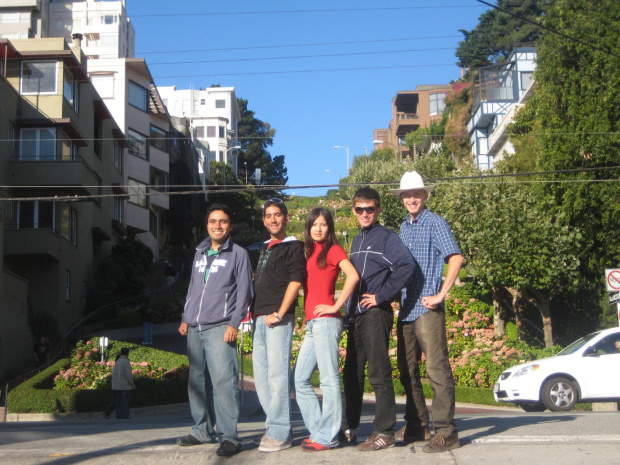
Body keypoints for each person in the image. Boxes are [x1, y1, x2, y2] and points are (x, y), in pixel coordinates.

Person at [389, 171, 464, 453]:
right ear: (402, 199)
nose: (411, 198)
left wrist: (441, 294)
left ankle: (446, 431)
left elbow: (456, 257)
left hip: (427, 309)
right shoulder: (403, 227)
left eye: (416, 194)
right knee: (407, 371)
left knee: (436, 369)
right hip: (407, 308)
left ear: (425, 195)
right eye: (407, 195)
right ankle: (417, 424)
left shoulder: (435, 223)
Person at [340, 187, 415, 452]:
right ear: (353, 210)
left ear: (378, 210)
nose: (364, 213)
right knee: (351, 374)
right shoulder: (357, 240)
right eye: (359, 209)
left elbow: (406, 265)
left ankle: (384, 431)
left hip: (375, 314)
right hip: (356, 316)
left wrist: (381, 296)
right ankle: (350, 428)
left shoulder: (386, 237)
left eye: (369, 208)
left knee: (378, 373)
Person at [177, 204, 253, 457]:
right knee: (196, 381)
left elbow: (245, 291)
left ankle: (229, 436)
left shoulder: (238, 253)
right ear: (207, 224)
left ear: (230, 226)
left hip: (221, 326)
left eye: (222, 221)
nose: (217, 225)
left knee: (223, 381)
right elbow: (192, 289)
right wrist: (186, 318)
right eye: (212, 221)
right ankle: (201, 430)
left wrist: (234, 323)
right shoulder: (199, 253)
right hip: (195, 328)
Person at [294, 208, 359, 452]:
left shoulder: (333, 250)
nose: (318, 228)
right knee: (299, 380)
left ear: (329, 228)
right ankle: (321, 431)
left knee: (329, 380)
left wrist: (336, 304)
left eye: (323, 224)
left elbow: (352, 275)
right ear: (309, 228)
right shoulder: (308, 252)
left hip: (327, 321)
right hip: (312, 323)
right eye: (314, 224)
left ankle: (328, 437)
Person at [252, 198, 306, 453]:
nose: (272, 219)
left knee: (277, 376)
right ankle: (273, 425)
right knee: (262, 377)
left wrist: (281, 312)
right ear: (264, 220)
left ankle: (281, 431)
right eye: (268, 216)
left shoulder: (293, 246)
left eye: (277, 215)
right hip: (259, 317)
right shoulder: (265, 246)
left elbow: (296, 281)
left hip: (277, 317)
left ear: (286, 217)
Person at [111, 347, 135, 419]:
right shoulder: (126, 362)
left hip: (116, 385)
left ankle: (118, 416)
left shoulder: (117, 361)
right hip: (124, 385)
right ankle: (125, 416)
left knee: (118, 402)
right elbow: (128, 375)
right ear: (127, 353)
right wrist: (132, 384)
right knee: (125, 402)